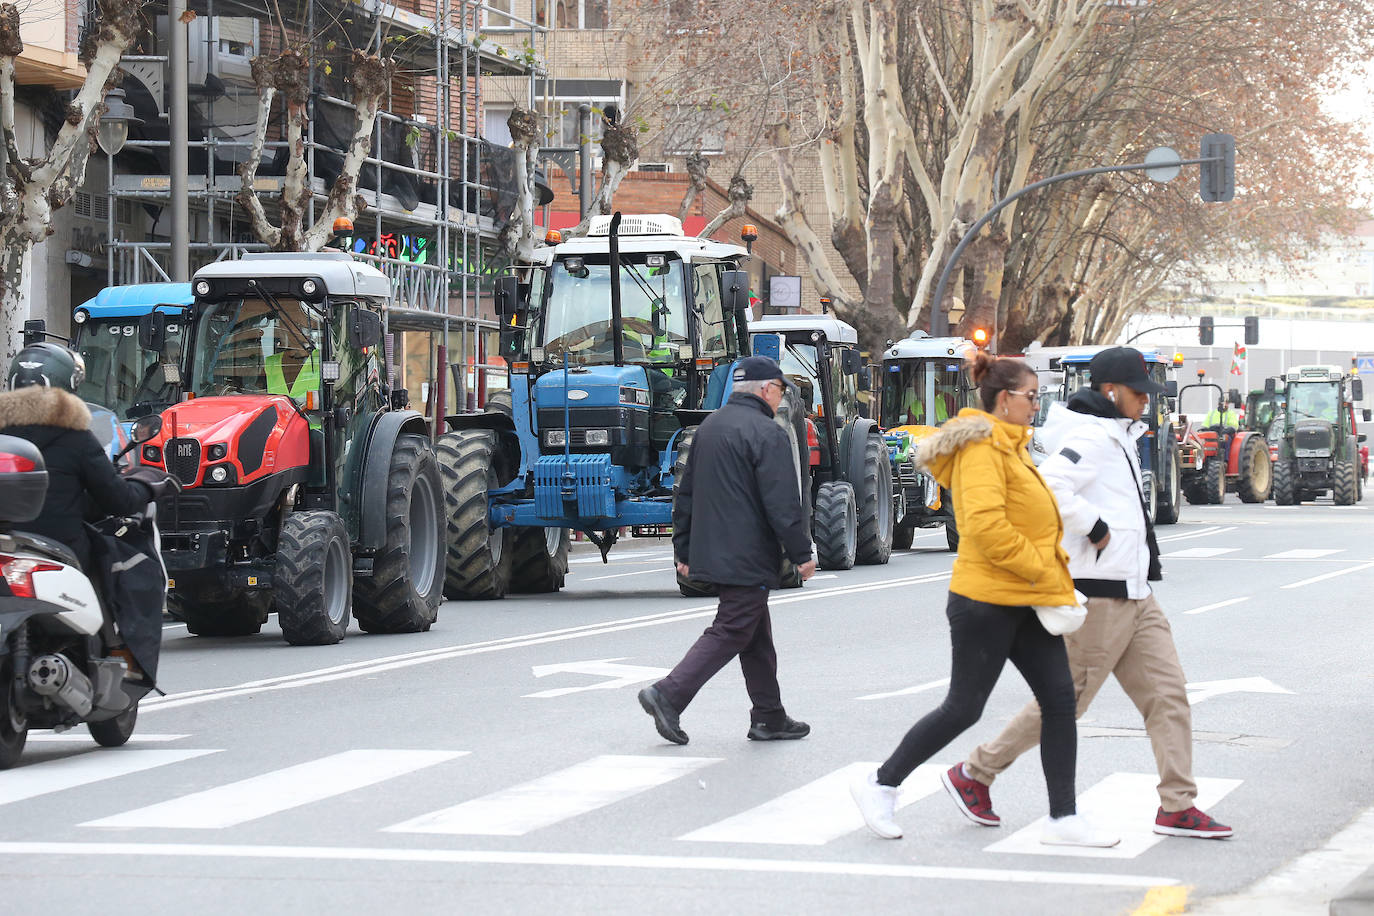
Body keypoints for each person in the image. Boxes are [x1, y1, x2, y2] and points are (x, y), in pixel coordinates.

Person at [949, 346, 1233, 840]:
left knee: (1169, 697)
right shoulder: (1092, 437)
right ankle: (976, 772)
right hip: (1101, 595)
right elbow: (1051, 483)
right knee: (1065, 704)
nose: (1147, 401)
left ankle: (1177, 805)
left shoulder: (1119, 434)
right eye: (1140, 393)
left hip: (1137, 593)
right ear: (1112, 392)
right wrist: (1094, 525)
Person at [850, 351, 1117, 848]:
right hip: (986, 601)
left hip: (1025, 599)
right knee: (964, 707)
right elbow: (986, 529)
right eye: (1031, 396)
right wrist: (1046, 571)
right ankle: (880, 784)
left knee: (1060, 701)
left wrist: (1048, 572)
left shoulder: (1013, 448)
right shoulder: (982, 450)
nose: (1037, 405)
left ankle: (1064, 818)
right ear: (1003, 398)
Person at [638, 355, 817, 745]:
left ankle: (769, 716)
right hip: (748, 554)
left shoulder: (708, 428)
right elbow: (782, 501)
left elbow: (683, 496)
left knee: (755, 634)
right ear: (768, 389)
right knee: (734, 627)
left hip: (714, 550)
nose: (779, 398)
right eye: (781, 391)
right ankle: (668, 694)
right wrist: (801, 553)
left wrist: (683, 550)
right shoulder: (766, 433)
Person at [0, 343, 156, 572]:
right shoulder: (75, 438)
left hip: (7, 551)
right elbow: (119, 501)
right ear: (66, 385)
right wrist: (149, 485)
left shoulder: (4, 436)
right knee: (126, 579)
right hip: (63, 555)